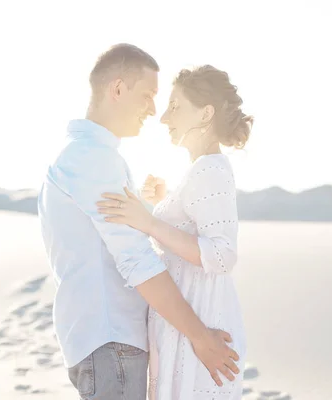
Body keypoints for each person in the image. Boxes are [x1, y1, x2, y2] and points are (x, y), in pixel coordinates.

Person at [37, 45, 239, 400]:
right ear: (117, 90)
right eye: (147, 96)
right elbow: (137, 261)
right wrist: (200, 336)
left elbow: (116, 239)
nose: (153, 111)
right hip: (111, 340)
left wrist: (153, 207)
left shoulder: (89, 157)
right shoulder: (93, 160)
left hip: (110, 342)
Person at [97, 65, 253, 399]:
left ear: (205, 113)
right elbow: (194, 229)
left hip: (201, 319)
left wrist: (150, 222)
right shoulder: (201, 169)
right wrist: (165, 201)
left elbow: (223, 255)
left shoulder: (210, 168)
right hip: (188, 319)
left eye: (176, 106)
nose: (165, 117)